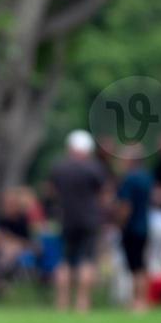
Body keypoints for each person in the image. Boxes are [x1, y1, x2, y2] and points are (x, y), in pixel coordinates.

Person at [47, 129, 109, 312]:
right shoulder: (94, 168)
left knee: (65, 260)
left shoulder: (59, 168)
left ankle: (62, 302)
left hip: (66, 219)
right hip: (89, 220)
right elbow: (104, 196)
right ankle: (82, 303)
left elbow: (51, 192)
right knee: (86, 261)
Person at [114, 155, 153, 312]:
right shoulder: (147, 178)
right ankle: (140, 300)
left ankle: (138, 302)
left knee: (135, 266)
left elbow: (125, 206)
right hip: (144, 226)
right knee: (141, 265)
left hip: (131, 228)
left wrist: (120, 224)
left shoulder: (129, 180)